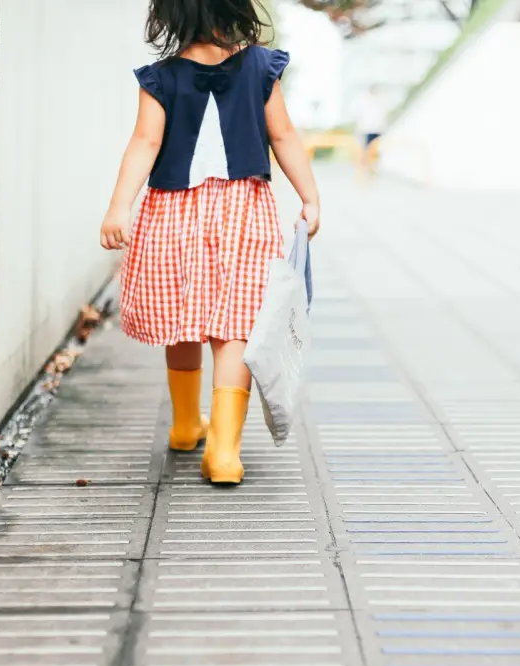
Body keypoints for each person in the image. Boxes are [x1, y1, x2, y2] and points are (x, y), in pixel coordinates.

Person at [100, 0, 321, 485]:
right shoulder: (262, 66)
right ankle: (223, 451)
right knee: (234, 324)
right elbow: (283, 137)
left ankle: (184, 425)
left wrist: (119, 207)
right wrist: (309, 198)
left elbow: (145, 143)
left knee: (181, 315)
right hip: (244, 210)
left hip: (172, 210)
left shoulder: (160, 77)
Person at [355, 86, 386, 175]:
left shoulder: (378, 100)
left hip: (376, 129)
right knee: (369, 148)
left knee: (375, 149)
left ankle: (372, 166)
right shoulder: (367, 100)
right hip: (369, 129)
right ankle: (370, 166)